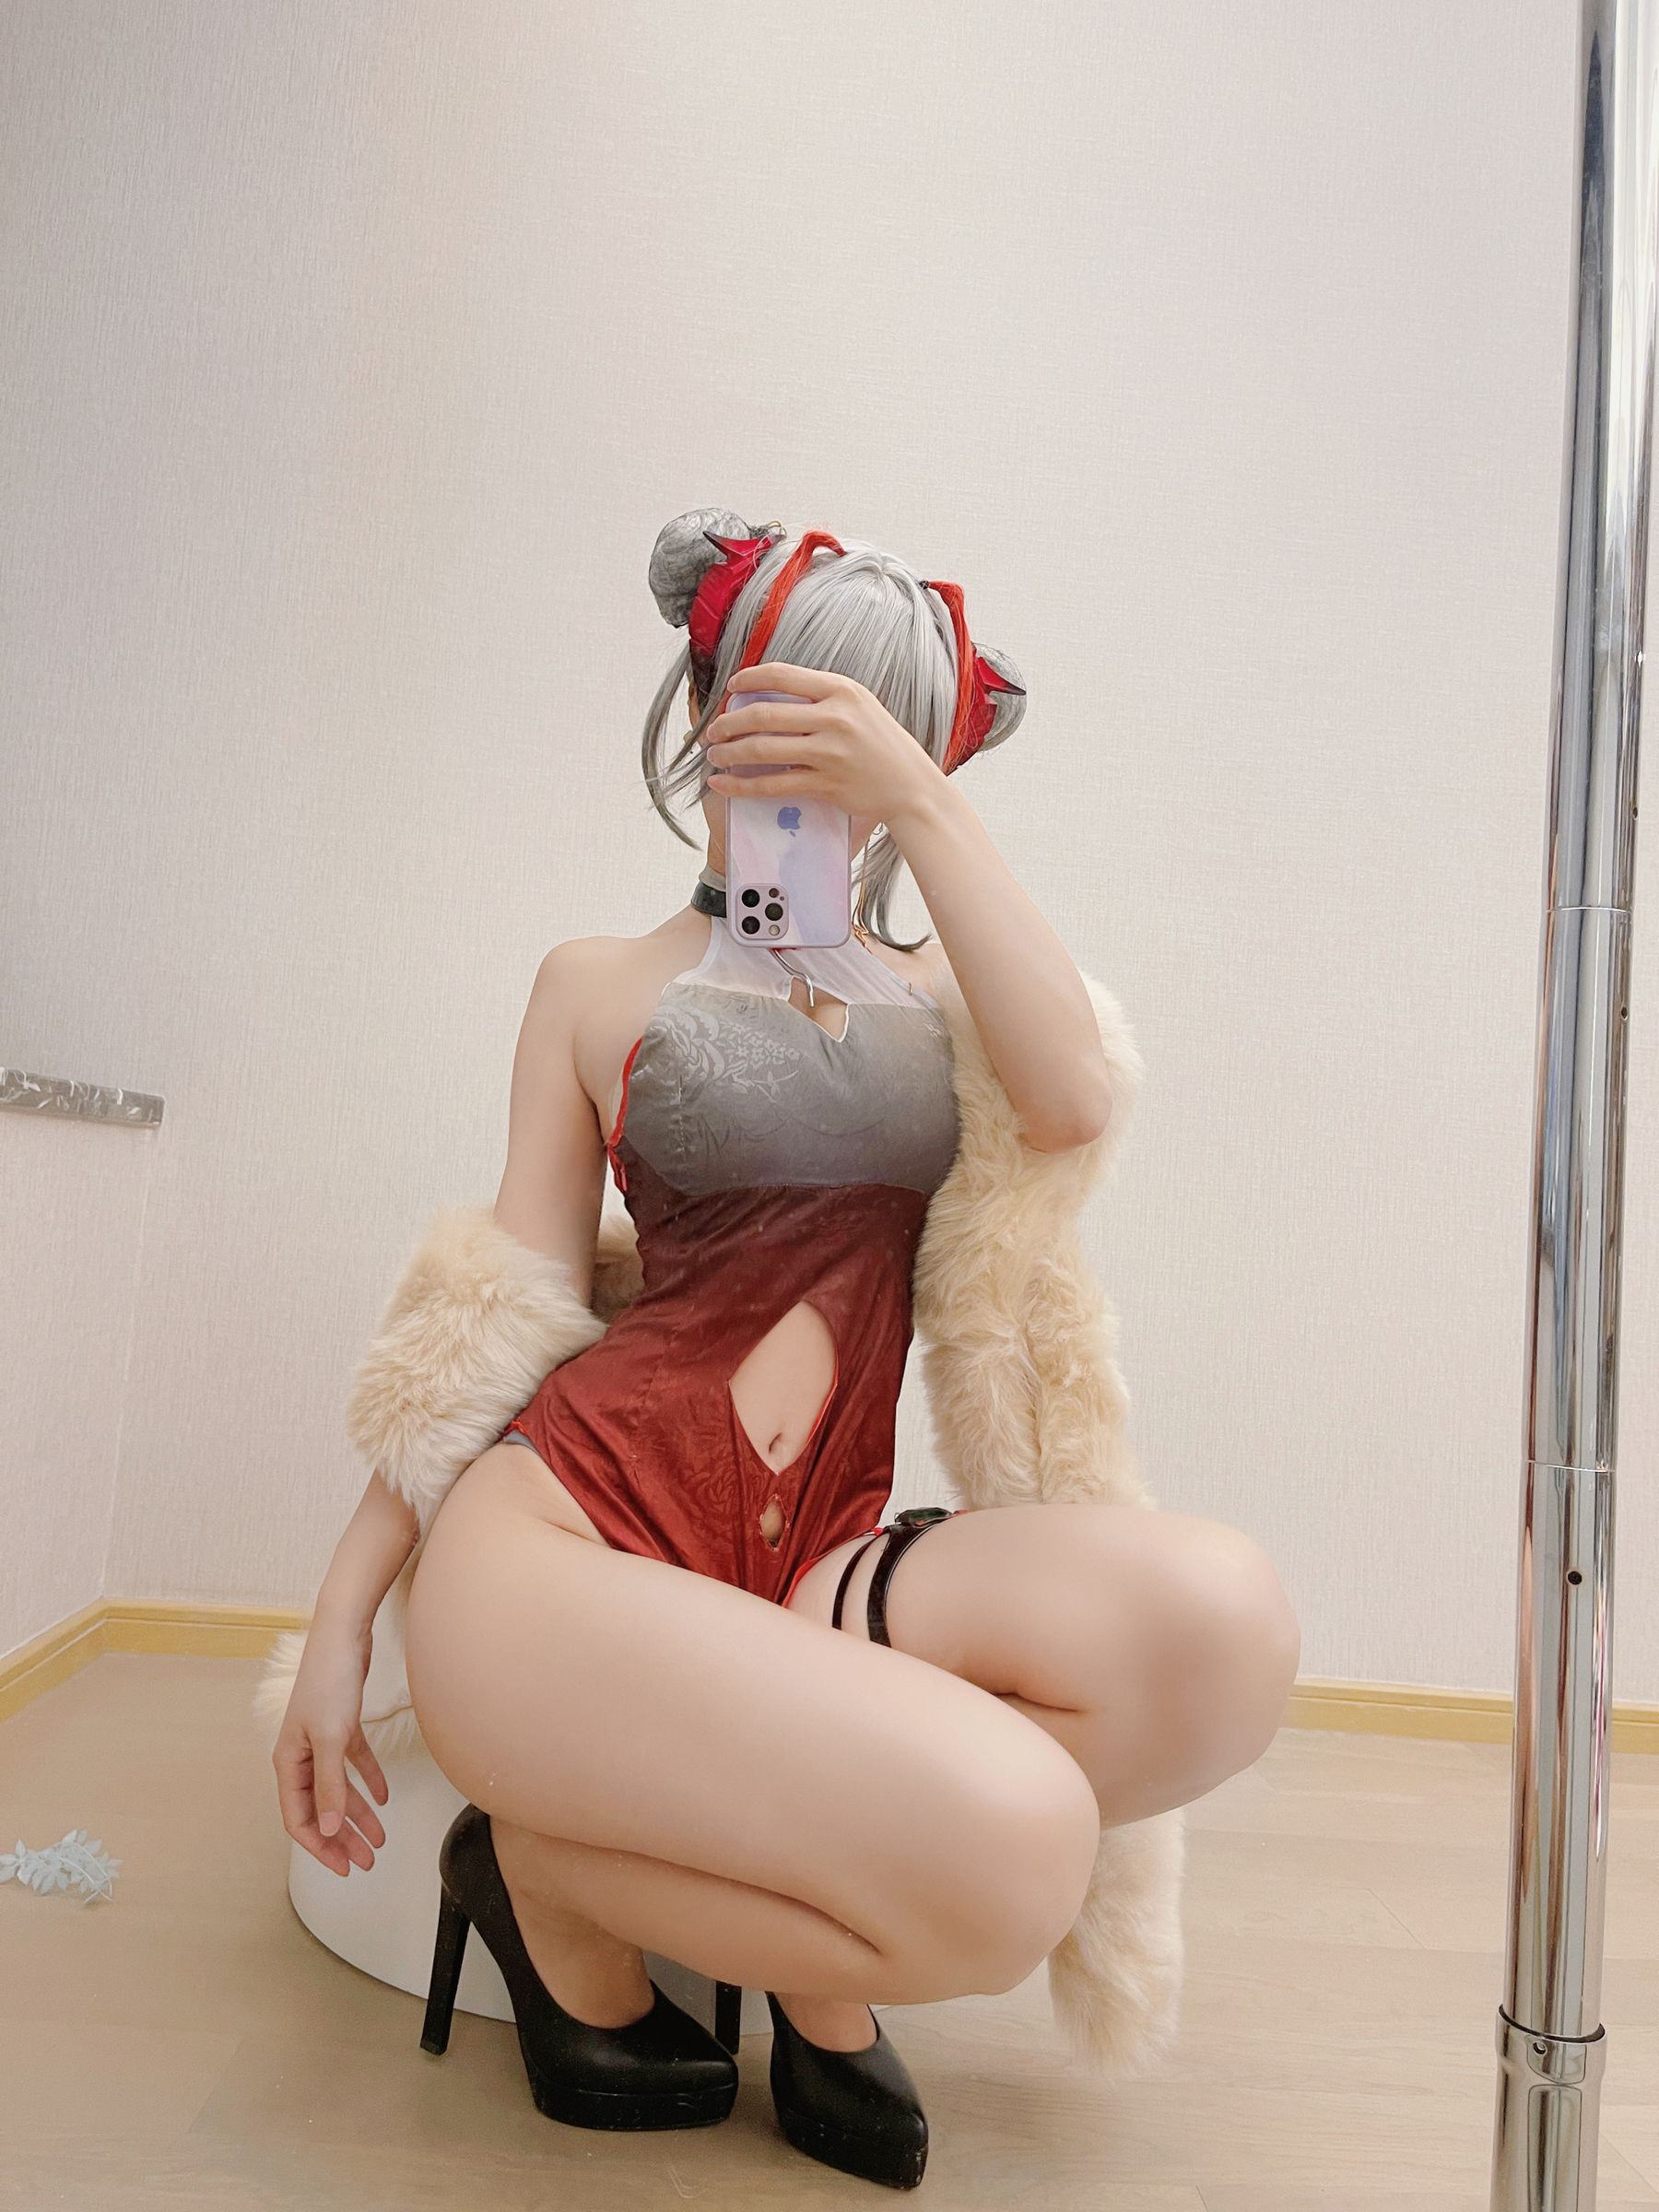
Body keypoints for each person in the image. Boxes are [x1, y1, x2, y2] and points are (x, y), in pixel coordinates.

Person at [271, 513, 1301, 2190]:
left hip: (816, 1553)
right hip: (567, 1549)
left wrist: (922, 809)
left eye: (867, 726)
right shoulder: (593, 985)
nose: (813, 760)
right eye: (782, 704)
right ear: (708, 701)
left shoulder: (943, 995)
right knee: (1019, 1859)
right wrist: (336, 1626)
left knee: (1225, 1628)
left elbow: (1072, 1100)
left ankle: (633, 1858)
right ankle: (556, 1876)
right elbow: (495, 1310)